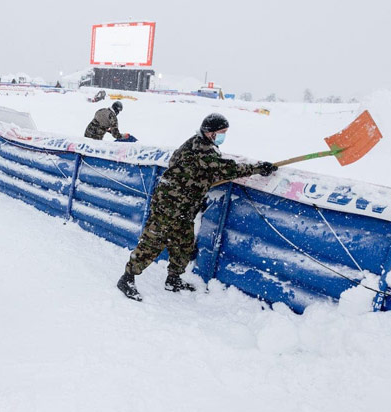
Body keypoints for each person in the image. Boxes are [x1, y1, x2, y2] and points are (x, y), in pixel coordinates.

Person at [116, 113, 278, 301]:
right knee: (153, 242)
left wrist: (201, 179)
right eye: (221, 132)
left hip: (184, 206)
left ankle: (173, 279)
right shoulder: (201, 148)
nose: (223, 136)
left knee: (183, 244)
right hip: (170, 205)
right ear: (210, 133)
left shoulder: (203, 145)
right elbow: (226, 168)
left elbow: (204, 169)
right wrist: (259, 168)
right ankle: (127, 278)